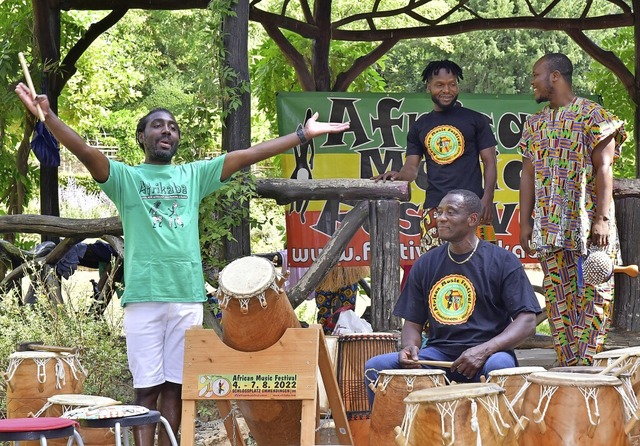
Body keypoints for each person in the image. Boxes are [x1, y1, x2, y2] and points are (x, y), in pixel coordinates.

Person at [15, 82, 349, 446]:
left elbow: (249, 154)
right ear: (142, 136)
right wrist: (48, 117)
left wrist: (301, 135)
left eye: (172, 127)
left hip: (186, 298)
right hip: (143, 298)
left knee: (175, 390)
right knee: (146, 392)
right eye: (158, 125)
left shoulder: (193, 176)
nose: (167, 131)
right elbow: (84, 150)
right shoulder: (126, 178)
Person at [364, 189, 540, 406]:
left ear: (472, 219)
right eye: (439, 212)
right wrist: (410, 348)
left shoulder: (503, 261)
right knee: (376, 367)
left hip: (488, 355)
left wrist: (484, 350)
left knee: (501, 368)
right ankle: (392, 437)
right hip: (437, 356)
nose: (440, 218)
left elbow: (528, 321)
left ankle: (502, 436)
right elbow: (412, 322)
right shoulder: (426, 263)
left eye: (451, 212)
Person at [518, 53, 627, 366]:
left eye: (536, 74)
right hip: (550, 225)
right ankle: (566, 362)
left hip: (589, 221)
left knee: (594, 287)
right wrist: (525, 221)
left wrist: (602, 220)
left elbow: (604, 168)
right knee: (557, 294)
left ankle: (587, 361)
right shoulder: (535, 123)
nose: (532, 81)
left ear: (555, 77)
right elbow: (527, 174)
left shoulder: (594, 116)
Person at [372, 60, 498, 257]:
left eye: (452, 84)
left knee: (484, 270)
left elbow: (489, 161)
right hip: (435, 209)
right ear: (428, 86)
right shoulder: (420, 126)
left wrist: (487, 198)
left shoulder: (476, 120)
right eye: (440, 84)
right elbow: (411, 170)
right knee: (435, 271)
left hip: (473, 208)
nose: (446, 90)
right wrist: (398, 176)